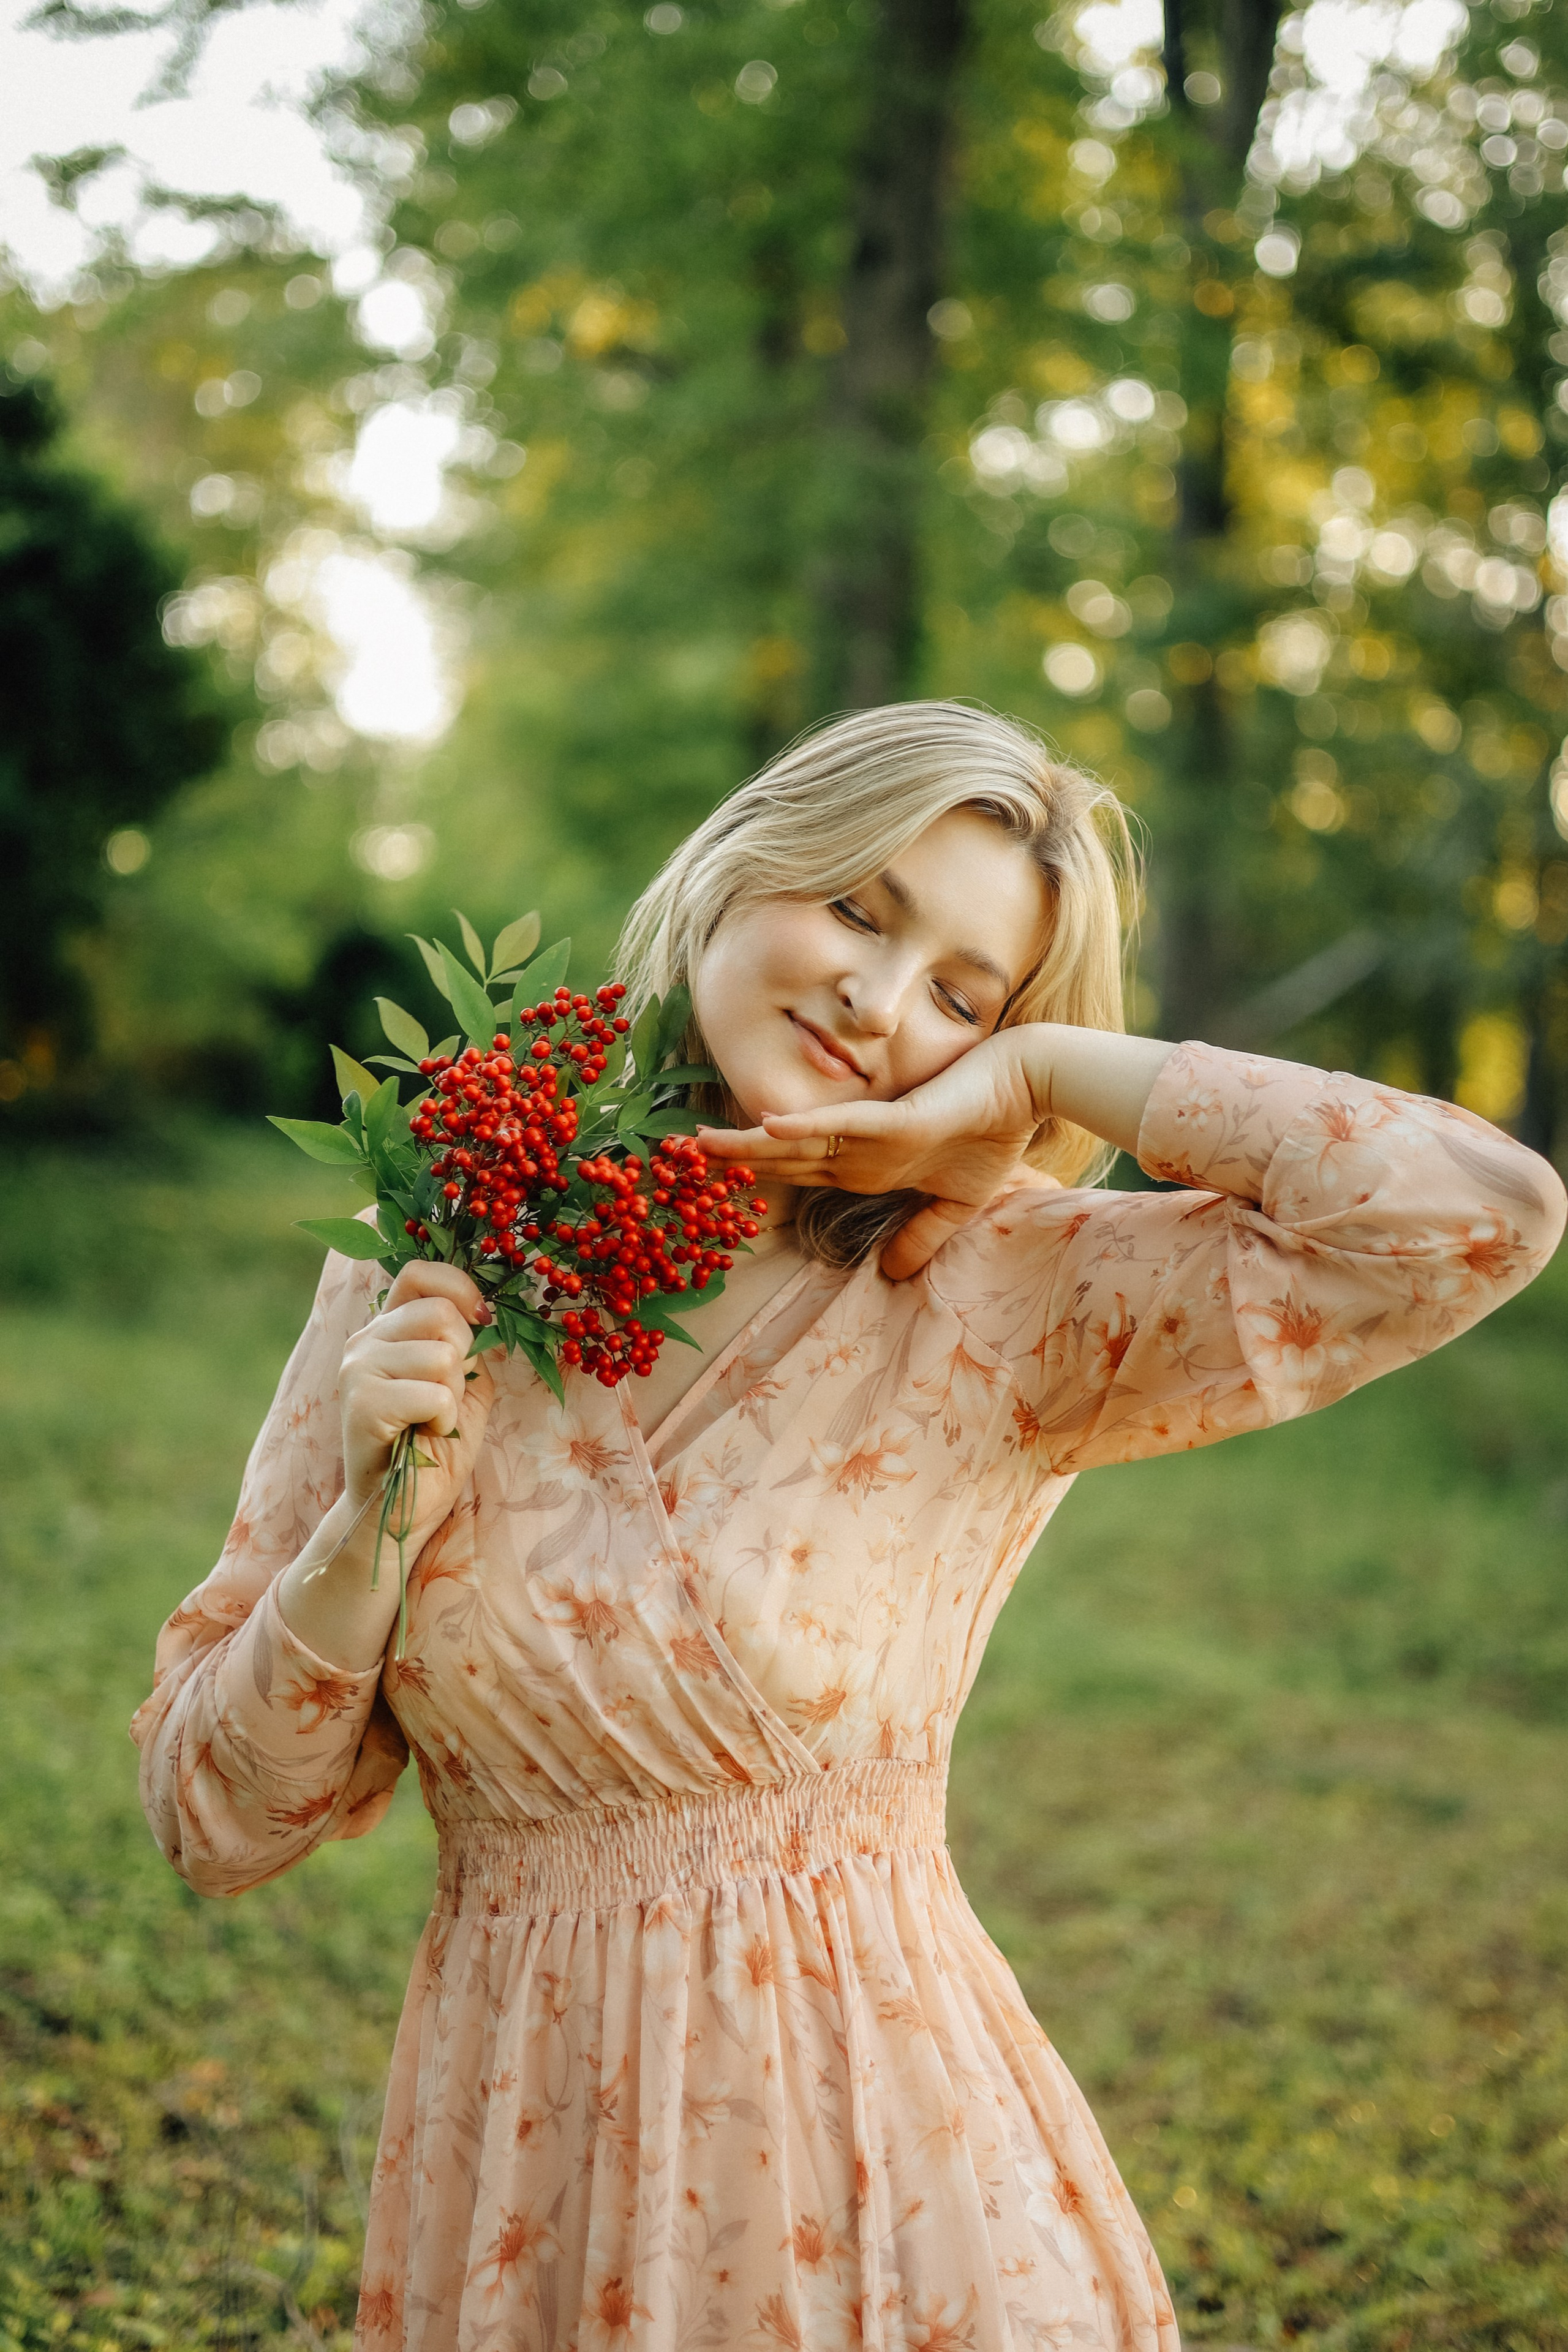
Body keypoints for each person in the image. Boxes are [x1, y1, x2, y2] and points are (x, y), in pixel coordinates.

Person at [132, 703, 1565, 2352]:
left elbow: (1481, 1217)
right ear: (745, 865)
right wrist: (369, 1535)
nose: (877, 1001)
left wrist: (1039, 1080)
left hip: (884, 2184)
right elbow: (213, 1822)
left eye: (965, 992)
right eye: (859, 908)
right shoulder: (445, 1233)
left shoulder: (995, 1289)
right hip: (522, 2185)